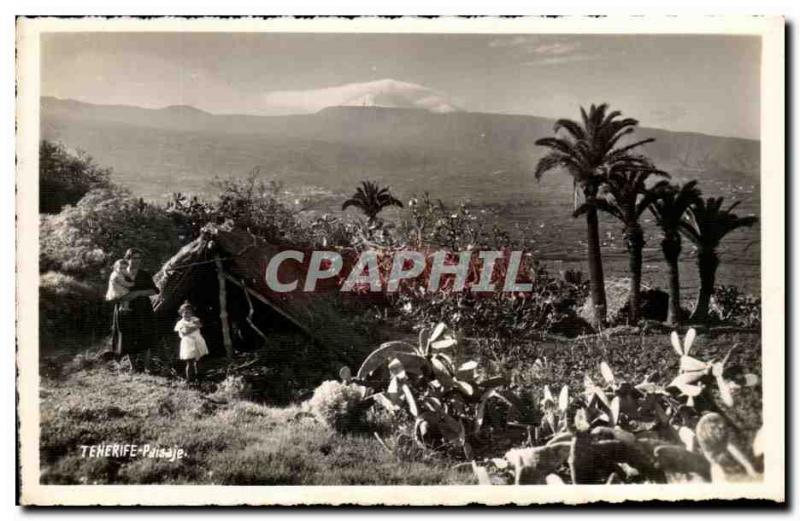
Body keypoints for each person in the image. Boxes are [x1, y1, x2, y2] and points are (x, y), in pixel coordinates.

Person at [109, 248, 159, 371]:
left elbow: (154, 290)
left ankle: (147, 367)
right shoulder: (119, 273)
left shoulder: (144, 274)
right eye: (134, 258)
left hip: (142, 309)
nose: (137, 261)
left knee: (145, 335)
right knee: (128, 336)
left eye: (139, 258)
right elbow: (112, 291)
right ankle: (133, 367)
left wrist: (138, 293)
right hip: (125, 309)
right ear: (127, 259)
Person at [174, 301, 209, 381]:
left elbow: (200, 325)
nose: (187, 314)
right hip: (188, 343)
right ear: (181, 313)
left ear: (192, 313)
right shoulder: (180, 323)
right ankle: (190, 379)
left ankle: (200, 376)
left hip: (197, 341)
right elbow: (185, 332)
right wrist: (194, 327)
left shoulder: (194, 319)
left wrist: (191, 328)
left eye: (189, 312)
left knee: (199, 360)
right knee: (189, 362)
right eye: (185, 312)